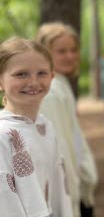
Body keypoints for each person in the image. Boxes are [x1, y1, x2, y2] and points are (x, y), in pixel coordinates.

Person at [0, 37, 73, 216]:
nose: (33, 82)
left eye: (41, 73)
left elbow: (58, 188)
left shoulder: (45, 126)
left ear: (52, 77)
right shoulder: (3, 134)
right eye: (21, 74)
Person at [35, 22, 98, 217]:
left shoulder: (61, 84)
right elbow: (60, 149)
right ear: (44, 54)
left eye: (73, 50)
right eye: (61, 51)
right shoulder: (51, 92)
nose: (70, 56)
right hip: (66, 195)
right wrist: (71, 199)